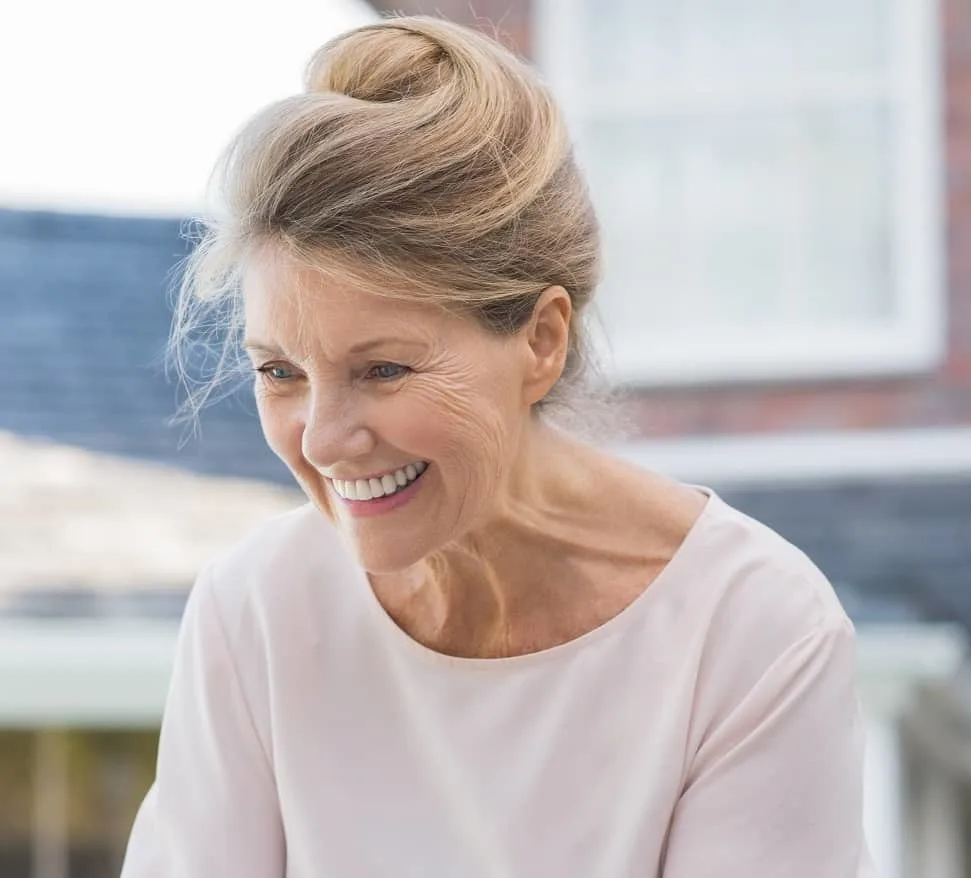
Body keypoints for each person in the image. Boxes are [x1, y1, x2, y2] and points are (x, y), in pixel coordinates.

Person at [120, 15, 874, 878]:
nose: (324, 441)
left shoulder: (752, 630)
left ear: (541, 340)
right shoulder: (255, 610)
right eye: (281, 372)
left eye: (386, 368)